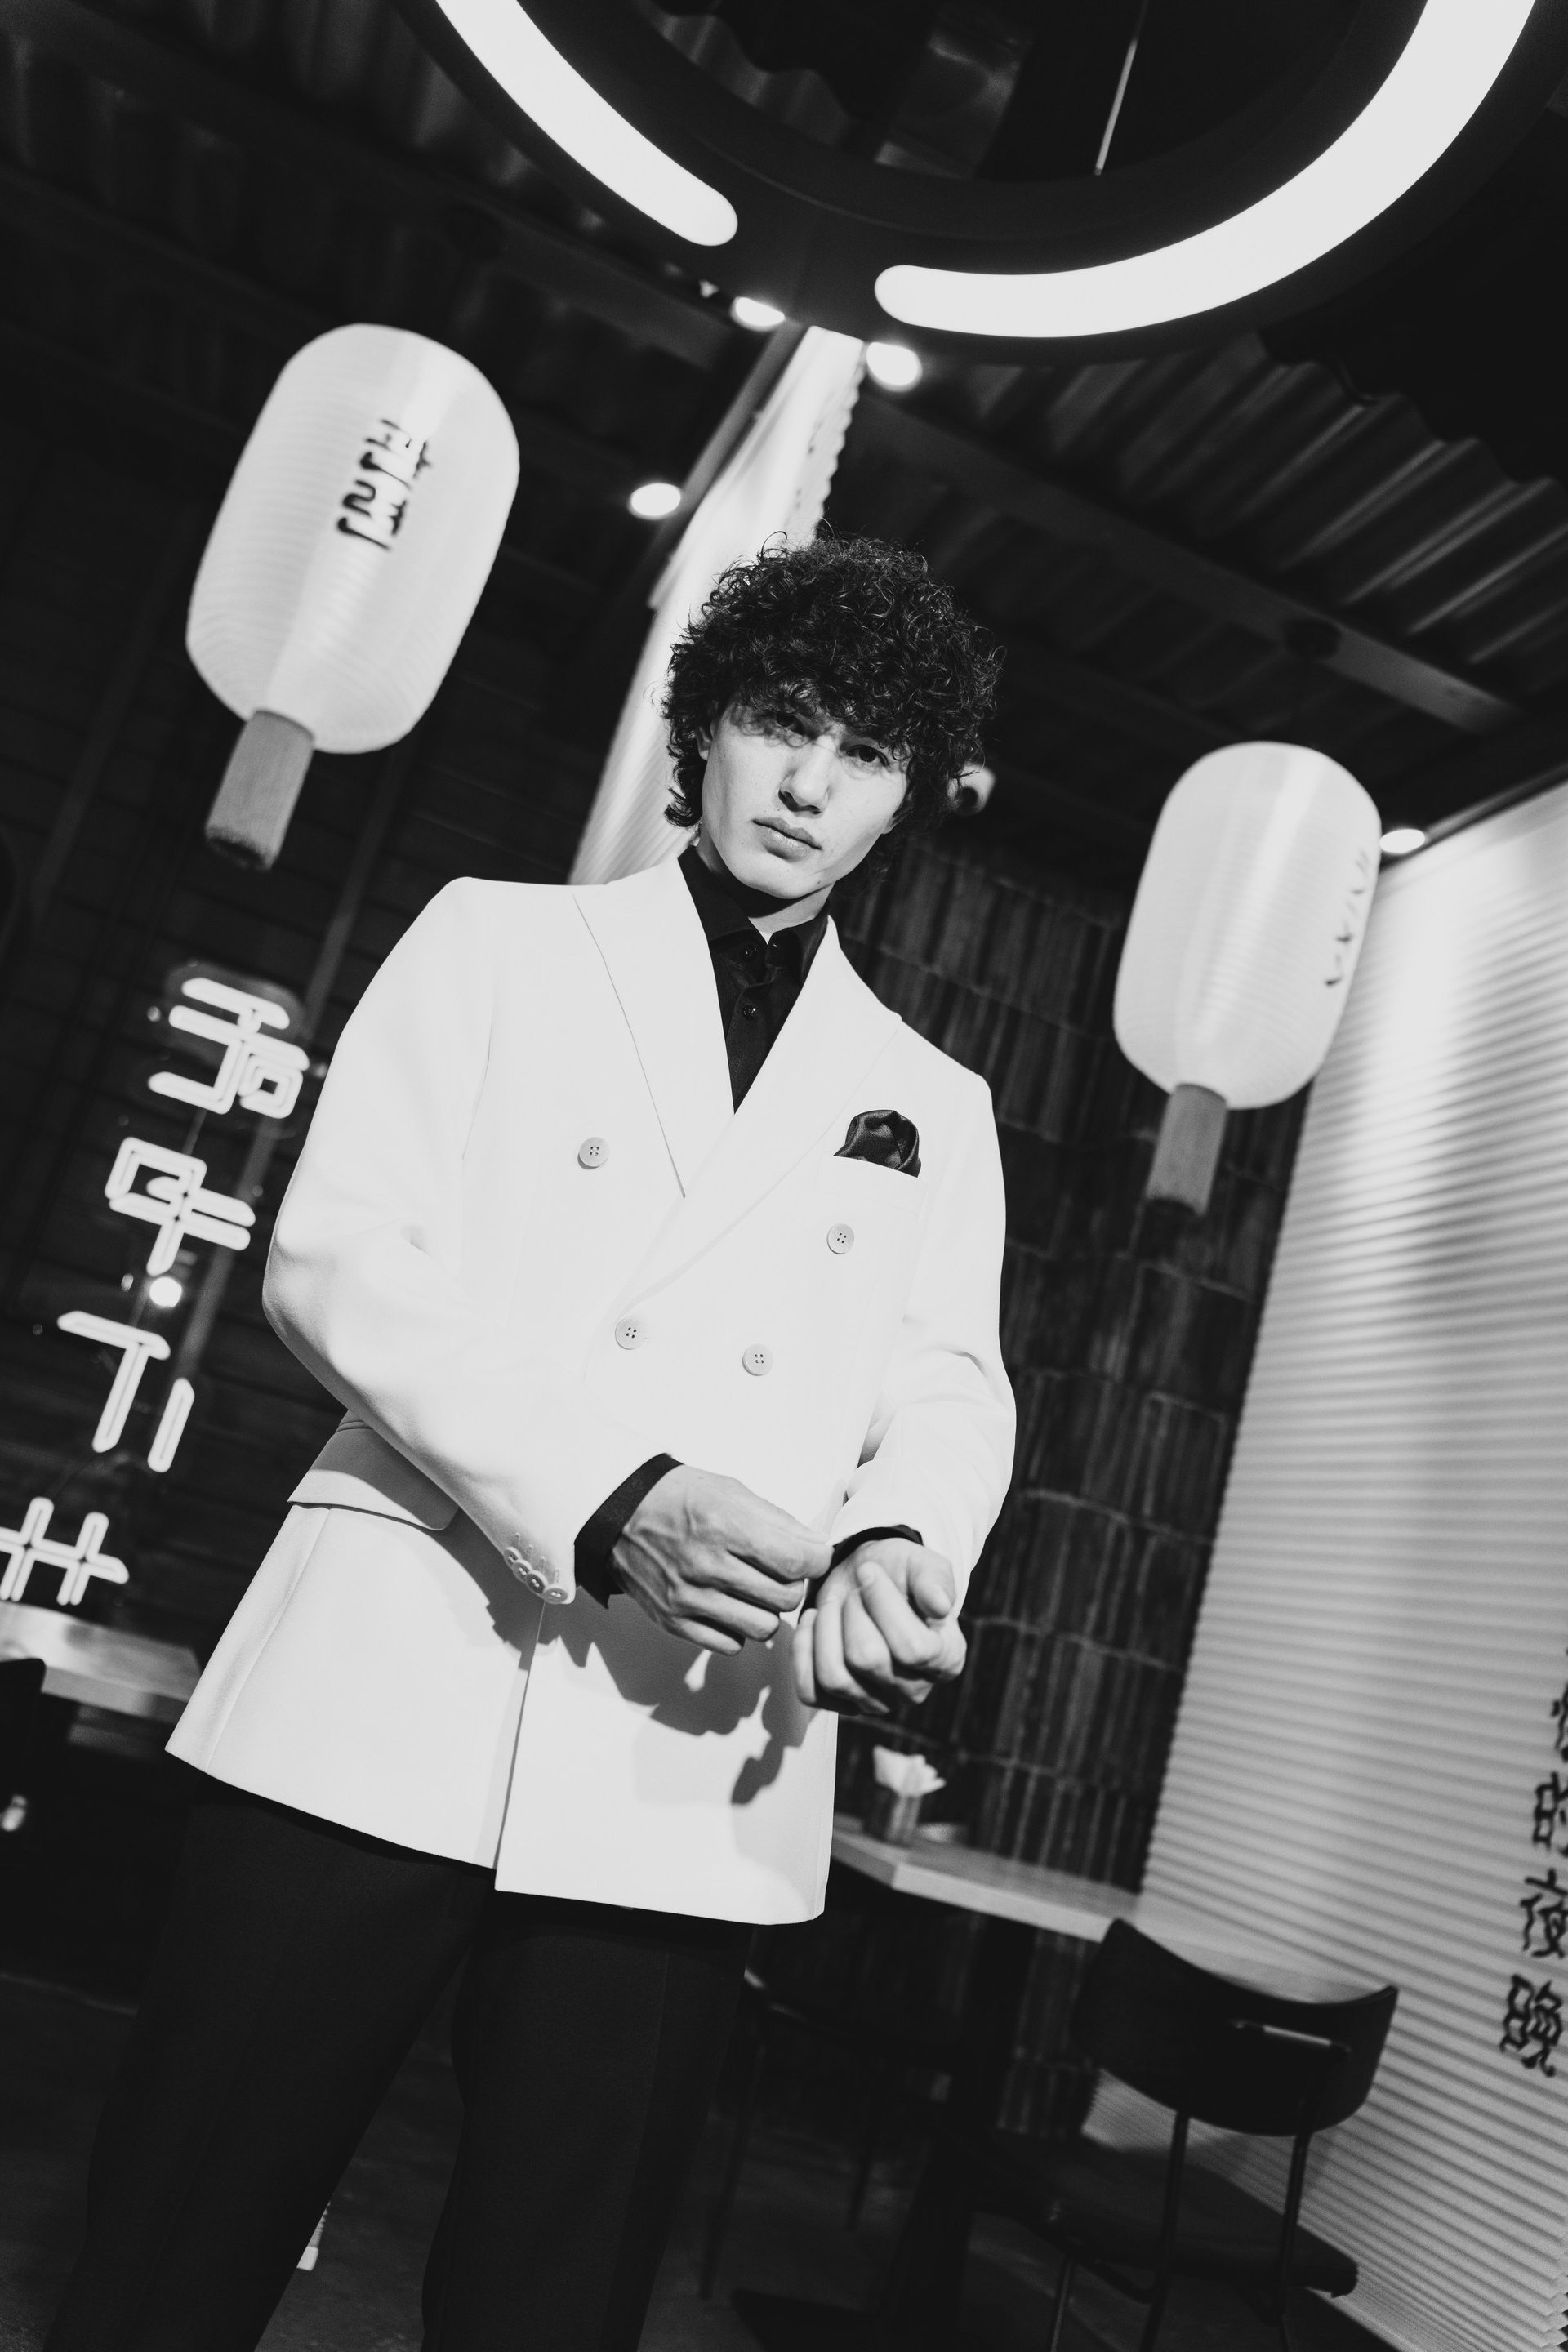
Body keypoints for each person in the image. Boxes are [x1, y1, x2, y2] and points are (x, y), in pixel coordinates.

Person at [47, 534, 1015, 2352]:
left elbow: (949, 1382)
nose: (810, 785)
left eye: (867, 753)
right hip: (383, 1676)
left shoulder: (935, 1104)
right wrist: (614, 1495)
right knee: (176, 2249)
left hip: (685, 1744)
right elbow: (338, 1257)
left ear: (906, 797)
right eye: (783, 723)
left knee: (550, 2306)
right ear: (704, 729)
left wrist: (902, 1541)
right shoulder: (496, 939)